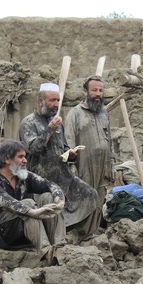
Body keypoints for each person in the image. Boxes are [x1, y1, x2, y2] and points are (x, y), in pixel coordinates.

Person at [19, 82, 99, 243]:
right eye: (52, 101)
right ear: (41, 101)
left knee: (91, 195)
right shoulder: (29, 123)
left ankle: (82, 236)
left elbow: (63, 147)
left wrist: (71, 154)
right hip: (41, 180)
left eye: (57, 100)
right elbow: (33, 149)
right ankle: (59, 239)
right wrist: (49, 129)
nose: (56, 105)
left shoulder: (57, 123)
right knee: (53, 204)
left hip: (64, 176)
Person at [0, 140, 65, 264]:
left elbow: (50, 185)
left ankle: (59, 248)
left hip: (22, 229)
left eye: (25, 157)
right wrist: (32, 212)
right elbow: (7, 202)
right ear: (7, 159)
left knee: (48, 197)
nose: (25, 160)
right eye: (20, 157)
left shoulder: (22, 176)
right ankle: (47, 254)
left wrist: (60, 201)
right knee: (28, 204)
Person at [64, 75, 114, 231]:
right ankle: (81, 234)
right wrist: (72, 165)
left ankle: (93, 233)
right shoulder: (75, 114)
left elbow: (110, 141)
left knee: (99, 199)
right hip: (84, 166)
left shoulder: (104, 113)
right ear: (86, 91)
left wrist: (112, 164)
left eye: (100, 90)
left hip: (103, 166)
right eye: (94, 90)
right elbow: (68, 141)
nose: (98, 94)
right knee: (85, 200)